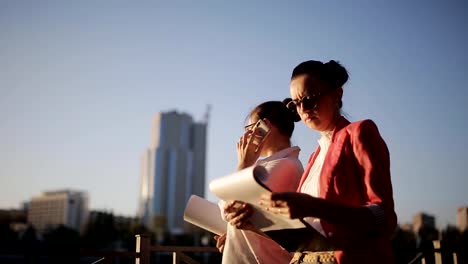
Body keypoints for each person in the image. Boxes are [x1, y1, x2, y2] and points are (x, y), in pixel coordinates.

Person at [257, 60, 397, 264]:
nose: (303, 109)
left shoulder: (360, 133)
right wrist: (254, 226)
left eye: (310, 98)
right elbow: (308, 235)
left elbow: (383, 217)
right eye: (296, 103)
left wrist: (314, 206)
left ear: (337, 95)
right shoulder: (315, 156)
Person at [214, 100, 304, 264]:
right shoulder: (271, 165)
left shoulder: (286, 165)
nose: (246, 136)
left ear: (265, 126)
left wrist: (243, 164)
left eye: (249, 128)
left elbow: (232, 207)